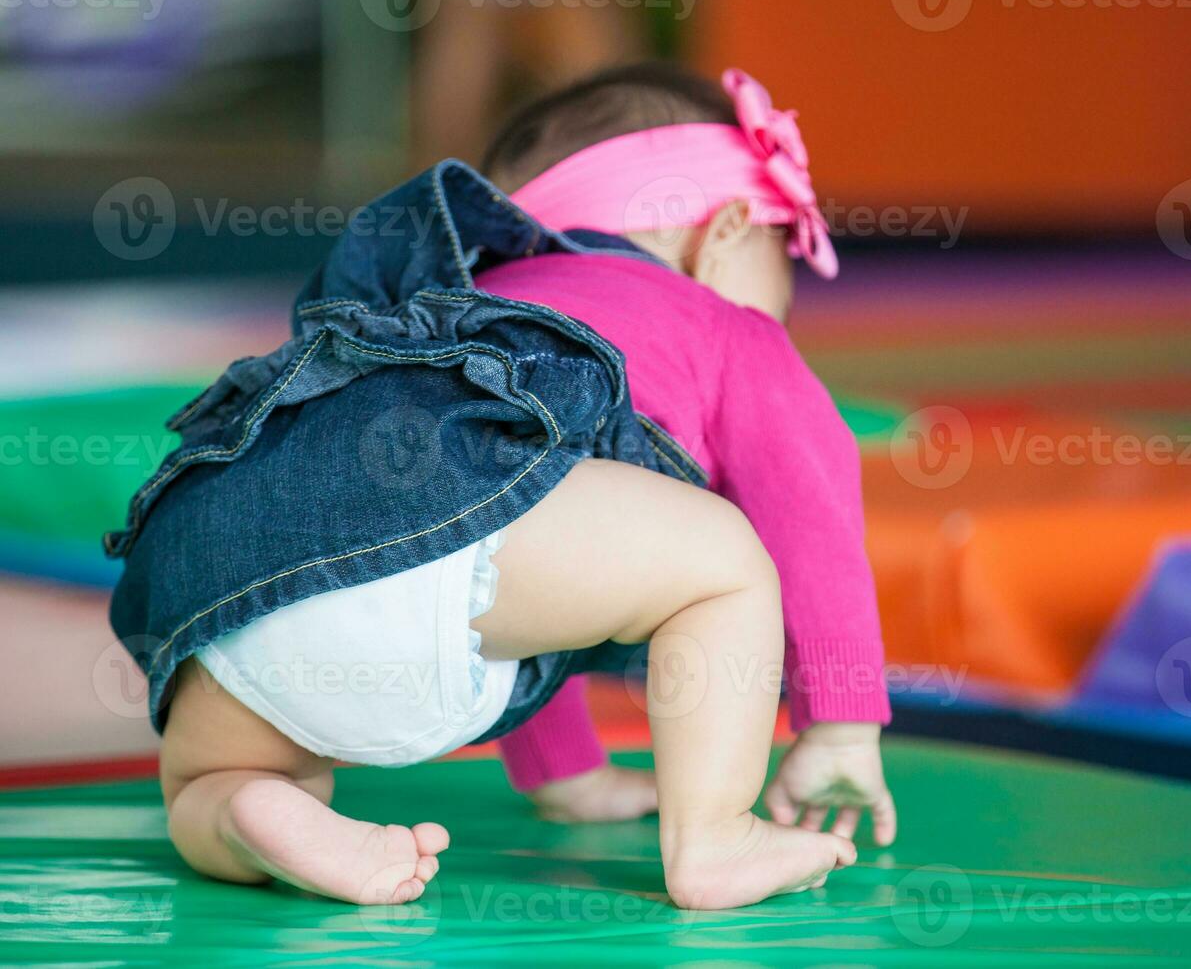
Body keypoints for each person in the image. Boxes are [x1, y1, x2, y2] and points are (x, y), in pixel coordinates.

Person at [108, 63, 893, 912]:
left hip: (224, 566)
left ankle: (243, 806)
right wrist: (841, 724)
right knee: (725, 558)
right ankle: (713, 836)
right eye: (786, 257)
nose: (785, 299)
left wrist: (570, 777)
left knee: (210, 775)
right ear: (728, 230)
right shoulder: (725, 327)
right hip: (441, 559)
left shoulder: (451, 307)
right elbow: (812, 510)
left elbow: (517, 557)